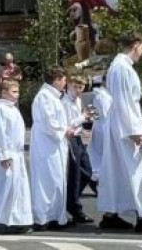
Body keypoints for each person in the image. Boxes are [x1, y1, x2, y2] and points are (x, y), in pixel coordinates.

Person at [98, 32, 142, 235]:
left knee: (118, 171)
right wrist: (135, 131)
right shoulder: (122, 68)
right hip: (124, 128)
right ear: (136, 45)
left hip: (121, 125)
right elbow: (125, 102)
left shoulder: (121, 67)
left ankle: (111, 214)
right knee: (132, 171)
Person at [0, 79, 32, 234]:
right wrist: (4, 155)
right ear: (3, 93)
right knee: (1, 189)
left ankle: (14, 220)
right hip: (6, 155)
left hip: (16, 155)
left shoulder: (12, 109)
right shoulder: (1, 109)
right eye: (14, 91)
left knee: (16, 190)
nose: (17, 95)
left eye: (18, 91)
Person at [30, 66, 71, 231]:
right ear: (56, 80)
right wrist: (64, 131)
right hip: (46, 146)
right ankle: (43, 217)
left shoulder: (53, 96)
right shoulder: (45, 97)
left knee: (55, 180)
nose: (65, 83)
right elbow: (50, 123)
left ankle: (55, 215)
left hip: (53, 145)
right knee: (46, 180)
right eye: (64, 80)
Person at [61, 73, 94, 224]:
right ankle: (74, 207)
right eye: (75, 87)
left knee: (87, 172)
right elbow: (68, 123)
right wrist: (83, 117)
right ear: (68, 85)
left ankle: (70, 200)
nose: (78, 90)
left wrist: (87, 119)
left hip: (79, 138)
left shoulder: (78, 100)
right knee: (75, 174)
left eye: (81, 87)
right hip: (70, 139)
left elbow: (80, 122)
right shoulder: (65, 102)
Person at [88, 73, 112, 186]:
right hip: (104, 128)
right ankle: (97, 181)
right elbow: (107, 115)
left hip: (101, 126)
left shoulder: (104, 95)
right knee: (102, 156)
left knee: (100, 156)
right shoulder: (103, 96)